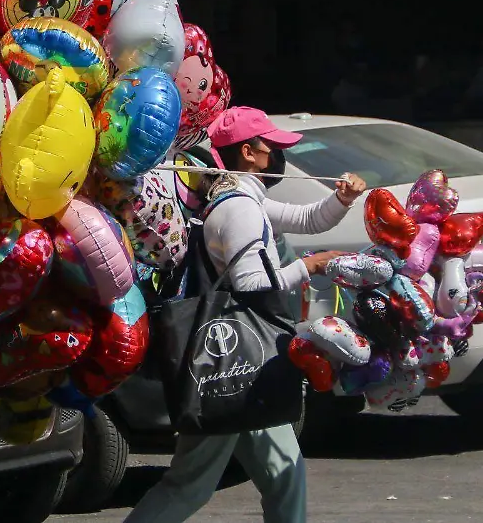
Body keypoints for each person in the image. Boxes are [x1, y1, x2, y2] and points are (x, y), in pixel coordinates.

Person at [125, 106, 366, 523]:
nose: (277, 154)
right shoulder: (238, 208)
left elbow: (308, 219)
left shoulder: (241, 197)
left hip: (247, 363)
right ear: (248, 152)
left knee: (285, 472)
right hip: (230, 363)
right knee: (189, 486)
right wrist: (311, 266)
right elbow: (253, 282)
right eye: (271, 146)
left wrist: (341, 199)